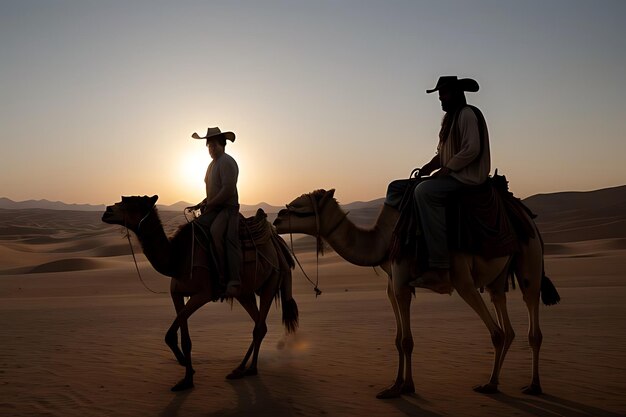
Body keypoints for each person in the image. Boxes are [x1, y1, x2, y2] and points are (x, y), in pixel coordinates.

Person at [409, 76, 491, 294]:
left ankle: (440, 267)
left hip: (467, 178)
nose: (440, 100)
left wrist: (447, 169)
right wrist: (428, 167)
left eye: (443, 94)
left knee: (424, 192)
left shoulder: (467, 115)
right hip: (453, 176)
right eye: (439, 96)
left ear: (456, 93)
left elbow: (472, 149)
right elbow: (442, 154)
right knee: (403, 187)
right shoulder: (449, 121)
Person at [187, 127, 242, 297]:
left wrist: (210, 204)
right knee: (195, 229)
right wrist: (201, 204)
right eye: (209, 146)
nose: (211, 149)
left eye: (213, 145)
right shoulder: (211, 165)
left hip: (228, 210)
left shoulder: (227, 162)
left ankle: (232, 278)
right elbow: (212, 191)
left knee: (218, 234)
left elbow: (227, 190)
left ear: (222, 144)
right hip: (213, 208)